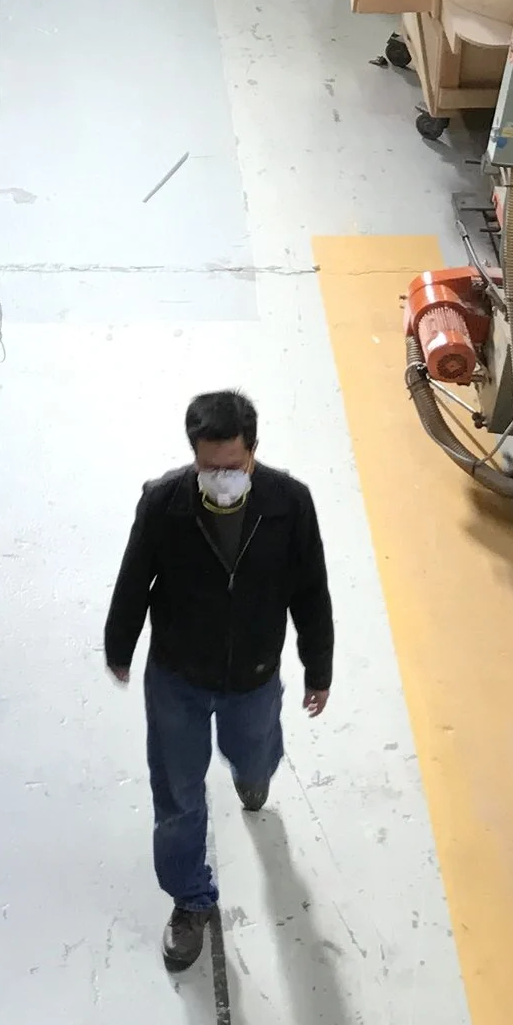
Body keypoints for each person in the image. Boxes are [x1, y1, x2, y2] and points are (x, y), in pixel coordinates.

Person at [103, 387, 334, 972]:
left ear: (253, 452)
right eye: (210, 467)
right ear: (194, 456)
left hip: (253, 675)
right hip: (178, 677)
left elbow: (311, 592)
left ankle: (253, 779)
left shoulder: (289, 504)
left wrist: (318, 667)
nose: (222, 478)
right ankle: (189, 898)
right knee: (178, 796)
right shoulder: (164, 503)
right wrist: (120, 644)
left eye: (233, 467)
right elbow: (135, 578)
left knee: (252, 757)